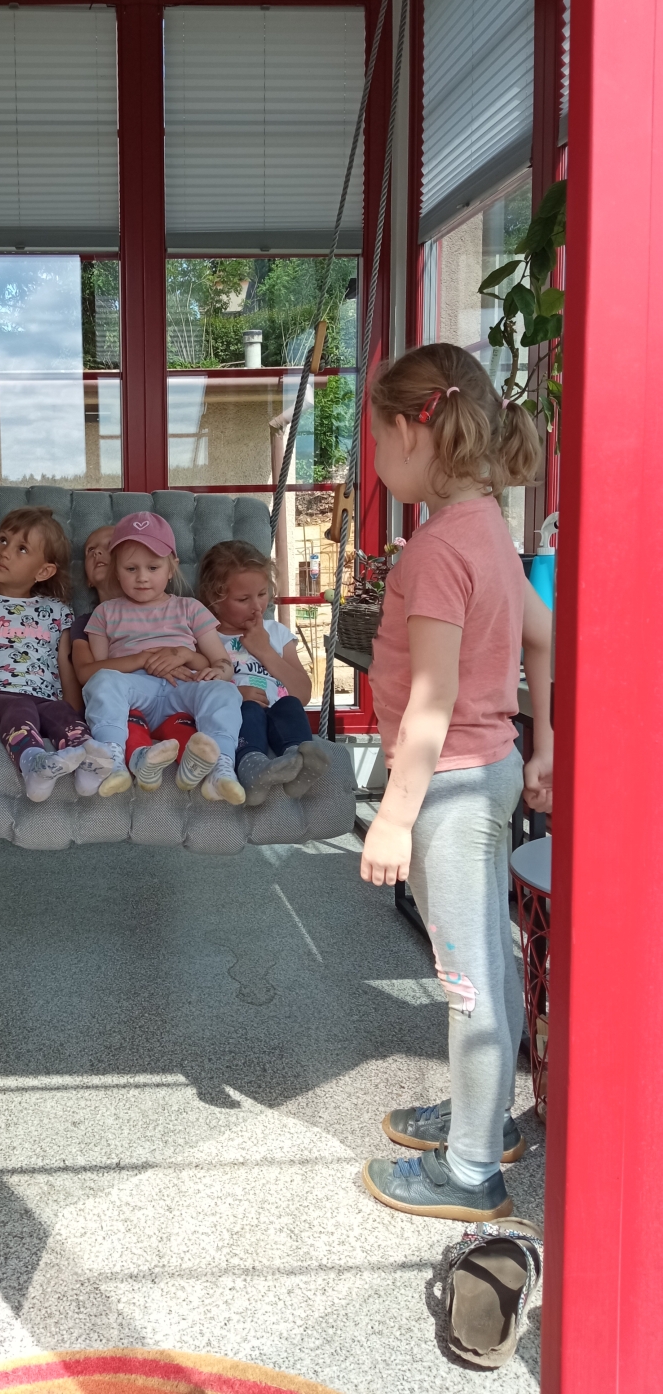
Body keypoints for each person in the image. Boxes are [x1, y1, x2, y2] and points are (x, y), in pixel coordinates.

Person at [358, 343, 553, 1222]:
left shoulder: (437, 550)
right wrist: (543, 745)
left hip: (449, 788)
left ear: (411, 430)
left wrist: (392, 816)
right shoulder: (487, 534)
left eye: (376, 437)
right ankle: (487, 1120)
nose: (375, 456)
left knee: (465, 980)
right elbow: (543, 638)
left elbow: (430, 704)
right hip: (492, 768)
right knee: (489, 966)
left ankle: (471, 1172)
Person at [0, 506, 113, 800]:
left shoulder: (56, 611)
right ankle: (32, 764)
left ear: (43, 571)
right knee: (19, 706)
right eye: (3, 540)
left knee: (60, 712)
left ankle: (87, 763)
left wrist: (73, 712)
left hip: (43, 700)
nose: (5, 552)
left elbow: (66, 672)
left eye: (21, 549)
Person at [81, 513, 246, 803]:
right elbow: (95, 672)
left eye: (153, 567)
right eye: (131, 568)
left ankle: (221, 767)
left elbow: (222, 664)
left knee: (225, 691)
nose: (142, 577)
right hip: (135, 692)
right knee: (103, 682)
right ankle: (112, 756)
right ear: (116, 571)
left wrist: (187, 656)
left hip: (182, 689)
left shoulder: (190, 608)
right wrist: (141, 659)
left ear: (171, 568)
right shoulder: (105, 613)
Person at [197, 540, 331, 805]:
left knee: (290, 705)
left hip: (279, 710)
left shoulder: (277, 633)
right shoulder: (206, 639)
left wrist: (265, 651)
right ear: (215, 599)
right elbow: (197, 690)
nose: (257, 607)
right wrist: (235, 694)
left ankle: (298, 759)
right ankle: (252, 766)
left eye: (262, 594)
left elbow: (303, 694)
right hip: (239, 715)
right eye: (243, 599)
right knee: (248, 710)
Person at [70, 524, 198, 794]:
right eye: (90, 551)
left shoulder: (178, 610)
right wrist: (143, 660)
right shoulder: (87, 622)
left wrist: (180, 656)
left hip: (177, 695)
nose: (97, 553)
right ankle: (133, 759)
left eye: (108, 546)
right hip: (126, 703)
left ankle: (198, 763)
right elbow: (87, 674)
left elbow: (209, 662)